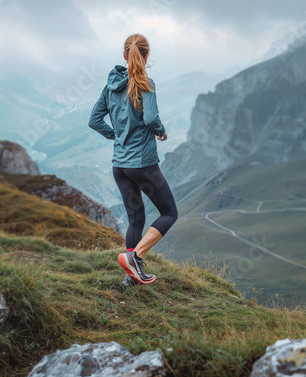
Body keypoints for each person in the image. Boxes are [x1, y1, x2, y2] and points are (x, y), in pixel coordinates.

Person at [88, 33, 178, 285]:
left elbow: (94, 120)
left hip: (120, 166)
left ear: (124, 55)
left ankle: (131, 277)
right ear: (147, 56)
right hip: (143, 165)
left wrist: (115, 135)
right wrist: (161, 132)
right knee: (169, 212)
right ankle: (135, 257)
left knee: (135, 217)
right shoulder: (146, 83)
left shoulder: (110, 85)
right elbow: (150, 119)